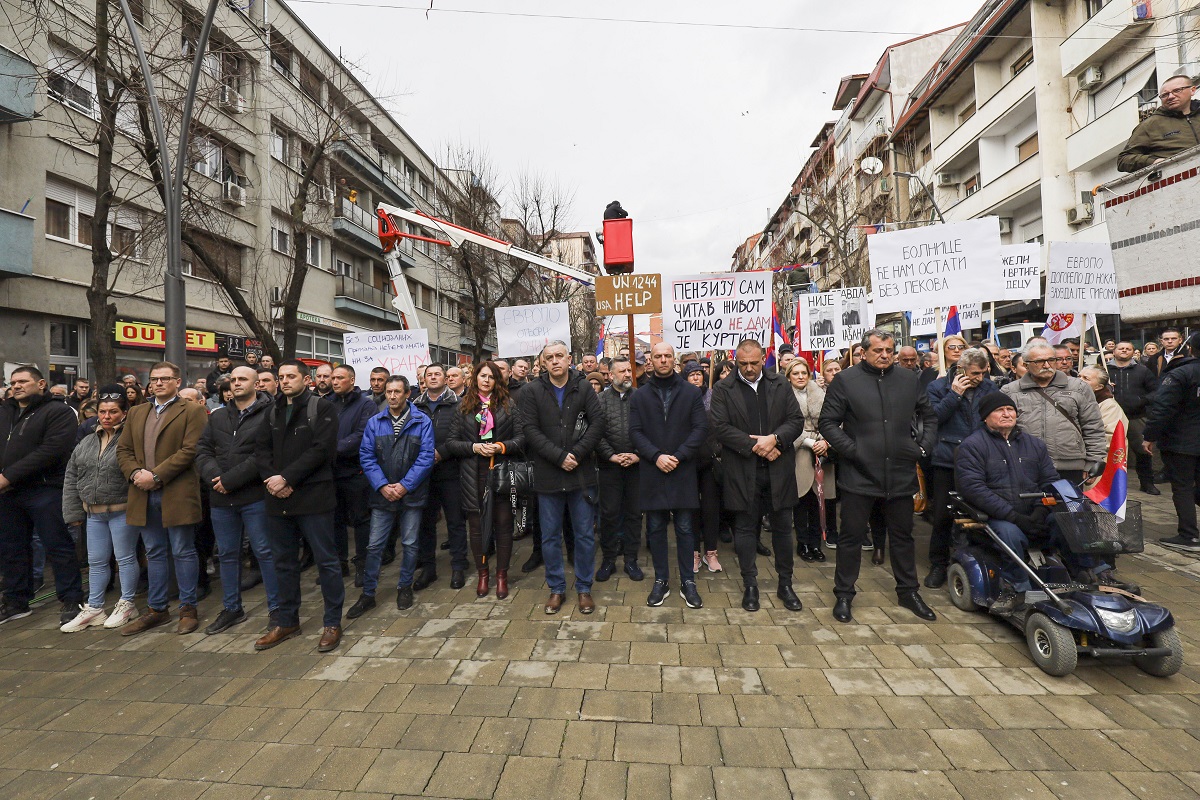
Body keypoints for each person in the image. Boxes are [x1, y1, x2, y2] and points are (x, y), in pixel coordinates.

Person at [819, 330, 938, 624]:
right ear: (863, 352)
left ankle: (908, 591)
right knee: (851, 537)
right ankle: (844, 593)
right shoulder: (846, 380)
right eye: (878, 350)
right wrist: (853, 450)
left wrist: (921, 447)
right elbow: (828, 422)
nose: (884, 355)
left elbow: (929, 416)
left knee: (902, 536)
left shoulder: (909, 379)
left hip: (899, 472)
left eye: (889, 349)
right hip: (859, 475)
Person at [254, 360, 343, 653]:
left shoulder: (322, 408)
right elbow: (261, 450)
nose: (284, 381)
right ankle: (287, 620)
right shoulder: (272, 410)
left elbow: (322, 450)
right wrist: (271, 479)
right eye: (281, 377)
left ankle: (332, 622)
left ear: (307, 380)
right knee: (283, 561)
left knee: (326, 561)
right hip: (277, 496)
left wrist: (287, 478)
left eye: (291, 376)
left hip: (313, 496)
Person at [710, 339, 805, 613]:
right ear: (735, 360)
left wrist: (775, 440)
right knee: (745, 529)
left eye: (754, 363)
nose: (749, 369)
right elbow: (719, 427)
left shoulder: (780, 383)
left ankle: (785, 584)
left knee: (783, 529)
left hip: (779, 469)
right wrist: (759, 446)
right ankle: (750, 583)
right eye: (743, 364)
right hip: (742, 470)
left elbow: (795, 421)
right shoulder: (723, 389)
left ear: (764, 358)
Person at [116, 361, 209, 636]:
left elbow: (190, 450)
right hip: (142, 493)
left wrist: (155, 476)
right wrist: (135, 473)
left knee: (183, 550)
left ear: (177, 382)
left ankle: (188, 608)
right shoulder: (136, 412)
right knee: (154, 552)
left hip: (176, 491)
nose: (158, 383)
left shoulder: (192, 410)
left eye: (165, 378)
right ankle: (157, 610)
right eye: (154, 379)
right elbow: (123, 450)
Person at [518, 340, 605, 615]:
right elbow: (530, 430)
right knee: (550, 537)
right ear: (543, 362)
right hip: (548, 475)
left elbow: (598, 423)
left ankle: (583, 588)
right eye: (549, 357)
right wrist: (558, 457)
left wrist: (576, 454)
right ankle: (556, 588)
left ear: (569, 359)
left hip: (581, 475)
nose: (555, 361)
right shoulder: (531, 391)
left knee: (584, 535)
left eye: (559, 356)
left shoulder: (583, 388)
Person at [194, 366, 281, 635]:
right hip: (221, 497)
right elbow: (203, 451)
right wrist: (215, 478)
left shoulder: (271, 414)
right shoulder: (218, 416)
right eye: (233, 380)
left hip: (253, 496)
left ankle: (278, 610)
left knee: (265, 552)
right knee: (227, 555)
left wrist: (231, 480)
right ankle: (232, 608)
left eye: (243, 378)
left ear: (257, 384)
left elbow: (264, 454)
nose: (236, 383)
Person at [0, 366, 85, 626]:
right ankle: (16, 601)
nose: (17, 386)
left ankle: (72, 599)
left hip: (45, 489)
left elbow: (51, 450)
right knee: (12, 549)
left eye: (23, 381)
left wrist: (8, 476)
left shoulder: (58, 412)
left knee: (57, 545)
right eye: (13, 382)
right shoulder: (5, 412)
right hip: (9, 493)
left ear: (41, 384)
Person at [629, 343, 708, 608]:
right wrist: (656, 456)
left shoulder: (690, 392)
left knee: (686, 528)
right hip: (653, 470)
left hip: (682, 468)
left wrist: (679, 455)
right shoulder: (639, 396)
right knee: (655, 528)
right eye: (658, 356)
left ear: (674, 360)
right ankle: (661, 580)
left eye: (667, 356)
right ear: (650, 361)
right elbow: (636, 432)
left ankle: (688, 581)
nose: (663, 360)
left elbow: (699, 428)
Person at [353, 375, 435, 616]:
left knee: (410, 544)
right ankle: (368, 593)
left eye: (397, 392)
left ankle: (404, 587)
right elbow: (366, 456)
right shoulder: (375, 422)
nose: (392, 396)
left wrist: (404, 486)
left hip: (411, 494)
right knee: (375, 545)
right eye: (389, 392)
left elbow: (426, 457)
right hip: (383, 495)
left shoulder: (422, 421)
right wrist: (382, 485)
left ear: (407, 394)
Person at [60, 385, 140, 631]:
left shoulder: (131, 438)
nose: (106, 416)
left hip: (122, 508)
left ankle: (128, 603)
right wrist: (73, 512)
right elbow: (72, 475)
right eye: (102, 411)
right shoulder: (86, 440)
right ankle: (95, 607)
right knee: (96, 561)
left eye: (113, 412)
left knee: (125, 558)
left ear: (124, 413)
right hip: (93, 512)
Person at [922, 348, 1000, 589]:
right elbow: (932, 417)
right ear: (961, 371)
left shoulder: (989, 388)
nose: (980, 377)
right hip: (947, 459)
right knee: (943, 515)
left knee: (979, 513)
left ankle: (978, 561)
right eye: (975, 373)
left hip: (981, 459)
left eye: (983, 372)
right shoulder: (938, 388)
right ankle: (938, 564)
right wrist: (954, 395)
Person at [447, 362, 524, 599]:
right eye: (483, 376)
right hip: (473, 474)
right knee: (477, 528)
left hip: (500, 473)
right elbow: (451, 442)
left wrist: (501, 446)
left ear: (497, 380)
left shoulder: (508, 405)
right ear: (475, 378)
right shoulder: (463, 407)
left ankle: (501, 575)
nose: (487, 380)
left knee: (503, 525)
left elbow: (521, 439)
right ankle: (483, 574)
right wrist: (473, 447)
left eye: (491, 376)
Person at [1002, 343, 1107, 482]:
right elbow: (1000, 430)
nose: (1046, 365)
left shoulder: (1079, 387)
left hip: (1070, 466)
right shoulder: (1010, 391)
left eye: (1051, 360)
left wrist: (1093, 462)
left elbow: (1093, 426)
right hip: (1024, 465)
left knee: (1068, 504)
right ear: (1026, 365)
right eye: (1039, 361)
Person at [413, 364, 469, 591]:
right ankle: (429, 567)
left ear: (446, 379)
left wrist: (442, 452)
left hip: (451, 471)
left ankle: (458, 565)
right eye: (429, 374)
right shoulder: (415, 405)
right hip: (422, 474)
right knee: (425, 523)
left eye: (438, 374)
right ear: (424, 380)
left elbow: (465, 434)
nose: (433, 377)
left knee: (455, 521)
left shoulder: (459, 404)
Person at [1143, 334, 1200, 552]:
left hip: (1182, 441)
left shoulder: (1180, 373)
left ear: (1191, 349)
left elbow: (1162, 408)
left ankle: (1189, 536)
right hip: (1185, 439)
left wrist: (1149, 436)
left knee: (1183, 487)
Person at [594, 357, 645, 583]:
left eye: (629, 370)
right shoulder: (600, 400)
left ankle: (631, 560)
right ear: (611, 375)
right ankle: (609, 560)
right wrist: (611, 455)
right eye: (622, 371)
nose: (627, 374)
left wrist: (637, 454)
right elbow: (596, 432)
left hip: (636, 466)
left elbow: (649, 429)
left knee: (634, 514)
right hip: (609, 467)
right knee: (609, 514)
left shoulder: (642, 398)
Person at [326, 364, 376, 582]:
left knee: (360, 520)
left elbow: (363, 434)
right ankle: (340, 563)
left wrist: (331, 450)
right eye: (333, 378)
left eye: (339, 378)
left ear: (352, 380)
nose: (334, 382)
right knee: (335, 520)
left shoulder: (366, 404)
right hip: (331, 473)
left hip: (356, 472)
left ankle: (363, 564)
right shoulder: (327, 404)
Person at [786, 359, 834, 564]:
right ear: (788, 376)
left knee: (819, 500)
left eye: (803, 372)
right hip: (799, 453)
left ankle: (816, 543)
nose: (800, 376)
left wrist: (826, 441)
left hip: (822, 452)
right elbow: (784, 423)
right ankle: (803, 543)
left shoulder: (821, 394)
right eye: (795, 373)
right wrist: (805, 440)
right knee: (802, 500)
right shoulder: (784, 397)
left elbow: (833, 420)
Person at [685, 360, 726, 566]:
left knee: (711, 508)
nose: (695, 377)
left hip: (710, 461)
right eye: (691, 374)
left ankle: (711, 552)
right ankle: (694, 552)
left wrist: (716, 449)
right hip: (688, 462)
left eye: (699, 374)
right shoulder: (680, 398)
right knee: (691, 508)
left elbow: (722, 426)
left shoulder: (714, 397)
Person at [1118, 75, 1199, 172]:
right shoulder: (1151, 125)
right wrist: (1155, 162)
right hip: (1177, 179)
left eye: (1177, 90)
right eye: (1165, 95)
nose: (1171, 97)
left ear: (1192, 90)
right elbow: (1123, 160)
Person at [1108, 341, 1159, 494]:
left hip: (1137, 416)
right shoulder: (1104, 370)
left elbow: (1155, 391)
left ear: (1133, 352)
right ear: (1114, 351)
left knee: (1143, 451)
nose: (1124, 350)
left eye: (1128, 349)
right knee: (1109, 451)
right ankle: (1109, 486)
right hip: (1111, 417)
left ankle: (1147, 483)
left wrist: (1141, 400)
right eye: (1121, 348)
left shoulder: (1142, 371)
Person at [1081, 366, 1129, 453]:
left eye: (1086, 378)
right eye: (1078, 376)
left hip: (1099, 459)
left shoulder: (1110, 407)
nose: (1079, 380)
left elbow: (1113, 437)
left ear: (1099, 387)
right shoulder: (1074, 401)